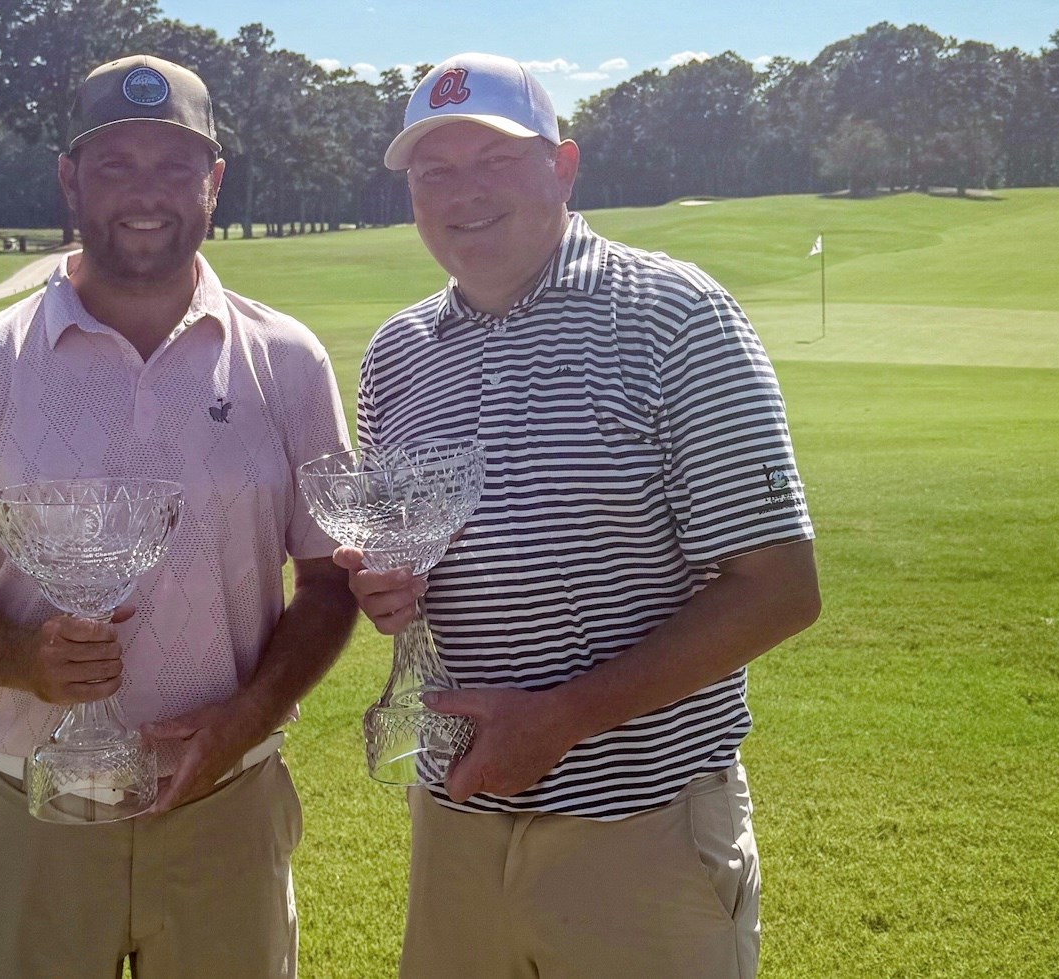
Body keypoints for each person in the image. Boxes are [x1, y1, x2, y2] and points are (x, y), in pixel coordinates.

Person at [0, 55, 356, 979]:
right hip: (34, 816)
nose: (146, 193)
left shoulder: (288, 362)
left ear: (214, 181)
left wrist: (248, 714)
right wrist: (22, 660)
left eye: (174, 165)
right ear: (70, 178)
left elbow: (331, 580)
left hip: (227, 809)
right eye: (116, 164)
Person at [339, 53, 821, 979]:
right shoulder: (396, 354)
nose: (464, 193)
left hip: (642, 833)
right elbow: (410, 559)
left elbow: (779, 590)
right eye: (435, 171)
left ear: (562, 167)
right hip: (455, 824)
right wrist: (390, 584)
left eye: (495, 160)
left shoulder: (677, 316)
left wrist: (561, 718)